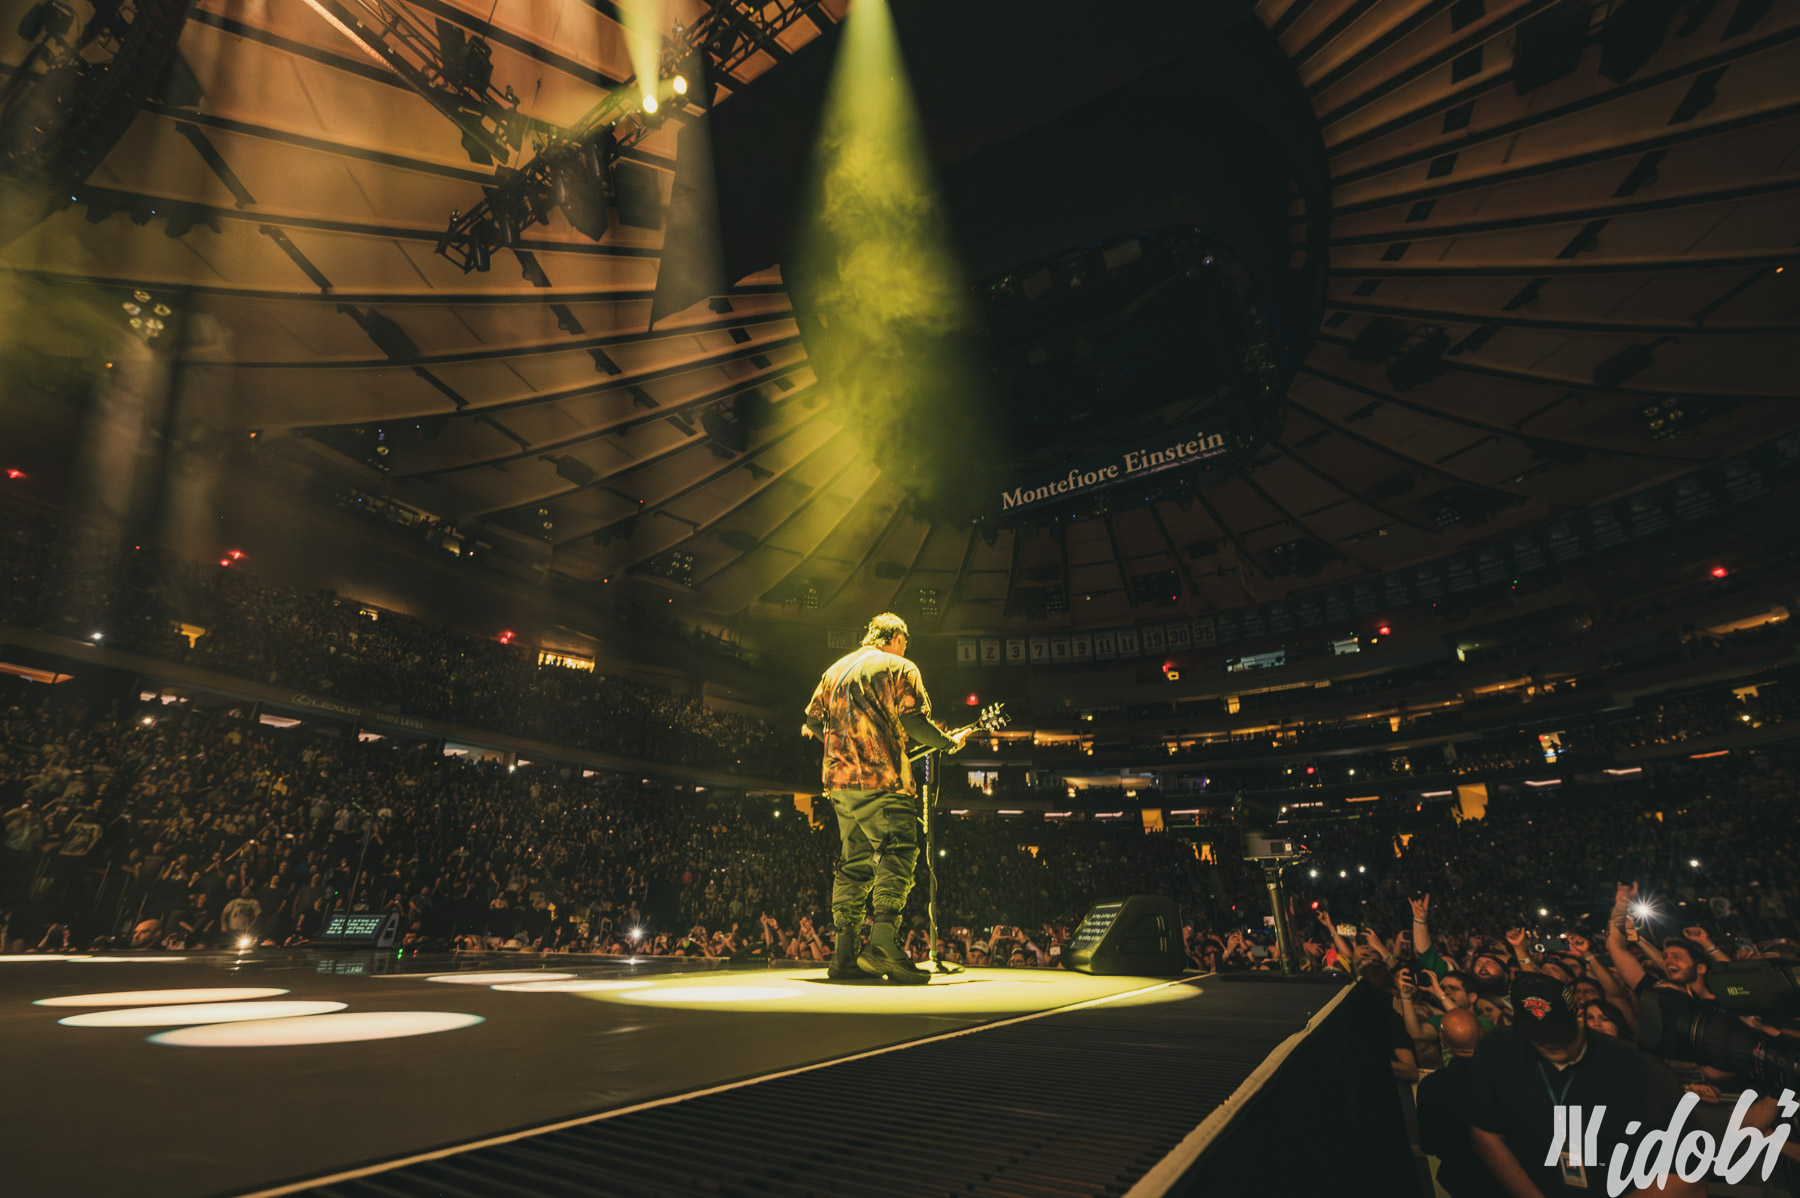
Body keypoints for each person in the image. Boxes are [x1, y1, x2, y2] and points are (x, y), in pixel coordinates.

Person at [802, 613, 970, 983]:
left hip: (840, 785)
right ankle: (881, 945)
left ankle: (844, 957)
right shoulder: (899, 666)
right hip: (881, 781)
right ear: (895, 637)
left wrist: (844, 751)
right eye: (905, 642)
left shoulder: (835, 670)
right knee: (899, 849)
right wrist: (947, 743)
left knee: (854, 862)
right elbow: (912, 721)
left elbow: (814, 721)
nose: (906, 648)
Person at [1467, 973, 1702, 1197]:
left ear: (1579, 1013)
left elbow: (1687, 1176)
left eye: (1558, 1034)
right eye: (1538, 1037)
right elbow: (1485, 1134)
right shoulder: (1498, 1048)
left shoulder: (1639, 1067)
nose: (1550, 1044)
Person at [1418, 1009, 1502, 1198]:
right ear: (1483, 1032)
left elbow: (1429, 1145)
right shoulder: (1507, 1075)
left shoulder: (1431, 1087)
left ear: (1443, 1040)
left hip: (1462, 1180)